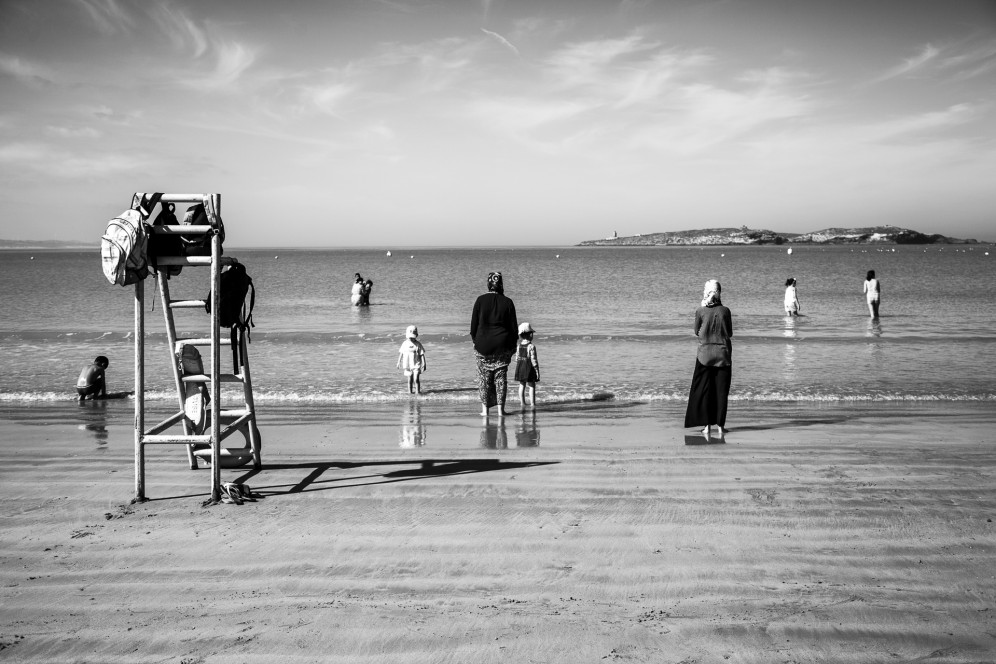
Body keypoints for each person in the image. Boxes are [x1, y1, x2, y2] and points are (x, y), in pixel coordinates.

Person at [684, 280, 733, 442]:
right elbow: (730, 333)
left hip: (704, 355)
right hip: (723, 355)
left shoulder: (700, 310)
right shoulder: (726, 311)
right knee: (721, 392)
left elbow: (696, 332)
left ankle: (707, 427)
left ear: (706, 292)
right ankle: (720, 426)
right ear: (719, 292)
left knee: (704, 391)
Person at [470, 271, 519, 418]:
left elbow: (473, 327)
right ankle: (500, 411)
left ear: (488, 283)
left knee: (484, 379)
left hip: (482, 345)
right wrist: (512, 347)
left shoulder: (480, 300)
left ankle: (485, 411)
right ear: (501, 284)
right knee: (500, 378)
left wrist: (476, 342)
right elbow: (514, 329)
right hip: (502, 345)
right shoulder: (508, 302)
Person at [513, 322, 541, 409]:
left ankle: (522, 403)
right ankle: (532, 404)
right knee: (531, 385)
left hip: (520, 366)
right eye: (531, 333)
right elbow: (534, 360)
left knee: (522, 385)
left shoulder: (519, 346)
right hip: (528, 367)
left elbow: (516, 358)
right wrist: (537, 371)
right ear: (529, 335)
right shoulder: (531, 346)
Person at [396, 325, 427, 394]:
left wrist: (424, 364)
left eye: (413, 337)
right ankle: (409, 393)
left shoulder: (418, 344)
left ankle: (417, 392)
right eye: (410, 337)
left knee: (416, 379)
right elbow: (401, 353)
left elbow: (422, 354)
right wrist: (398, 362)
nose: (411, 339)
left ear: (416, 335)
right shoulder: (405, 343)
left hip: (416, 364)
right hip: (408, 364)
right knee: (410, 379)